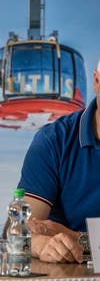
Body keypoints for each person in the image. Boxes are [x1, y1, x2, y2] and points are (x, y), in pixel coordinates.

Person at [16, 59, 100, 264]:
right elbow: (20, 230)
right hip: (69, 271)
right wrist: (40, 245)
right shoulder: (54, 140)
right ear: (97, 81)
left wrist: (78, 239)